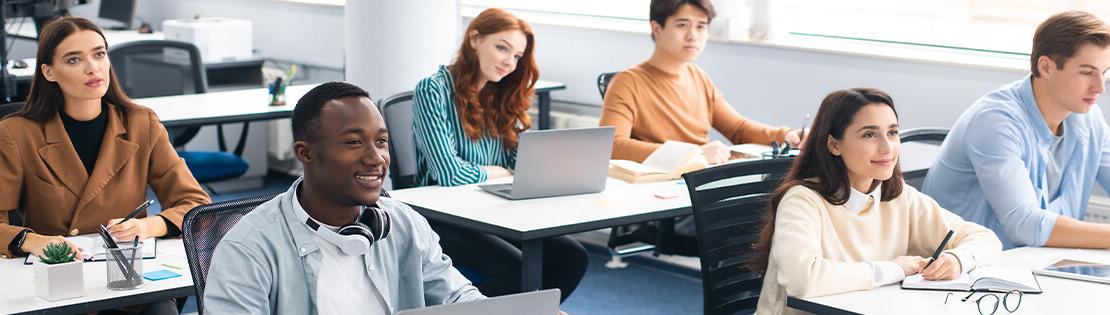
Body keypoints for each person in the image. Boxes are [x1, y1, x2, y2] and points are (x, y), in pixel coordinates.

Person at [204, 82, 485, 314]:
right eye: (354, 142)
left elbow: (458, 298)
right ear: (305, 153)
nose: (376, 159)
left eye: (381, 141)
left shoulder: (404, 223)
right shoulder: (248, 248)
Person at [0, 17, 210, 314]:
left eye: (99, 54)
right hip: (56, 287)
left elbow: (195, 203)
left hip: (125, 279)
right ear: (49, 72)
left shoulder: (141, 123)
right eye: (74, 59)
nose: (93, 67)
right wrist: (33, 241)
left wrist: (146, 226)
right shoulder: (16, 133)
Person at [751, 88, 1002, 314]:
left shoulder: (899, 197)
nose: (887, 148)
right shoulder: (802, 201)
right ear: (834, 144)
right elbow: (803, 279)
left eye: (892, 133)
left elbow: (985, 239)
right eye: (870, 135)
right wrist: (895, 268)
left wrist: (958, 260)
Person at [598, 0, 805, 250]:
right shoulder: (627, 82)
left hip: (705, 186)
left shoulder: (698, 77)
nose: (693, 35)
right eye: (682, 25)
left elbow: (738, 128)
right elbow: (613, 146)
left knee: (787, 207)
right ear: (657, 28)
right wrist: (691, 153)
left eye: (701, 27)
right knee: (769, 220)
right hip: (670, 198)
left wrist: (787, 134)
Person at [411, 8, 587, 301]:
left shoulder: (500, 95)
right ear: (475, 39)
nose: (509, 61)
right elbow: (449, 174)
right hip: (441, 216)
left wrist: (539, 163)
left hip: (490, 211)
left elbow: (522, 165)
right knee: (517, 269)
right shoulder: (434, 89)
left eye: (517, 56)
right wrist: (502, 172)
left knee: (572, 257)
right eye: (502, 48)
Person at [922, 11, 1110, 249]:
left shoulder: (1088, 118)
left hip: (1043, 266)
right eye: (1086, 73)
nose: (1099, 87)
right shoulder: (995, 122)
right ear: (1046, 67)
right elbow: (1025, 225)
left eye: (1104, 73)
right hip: (972, 273)